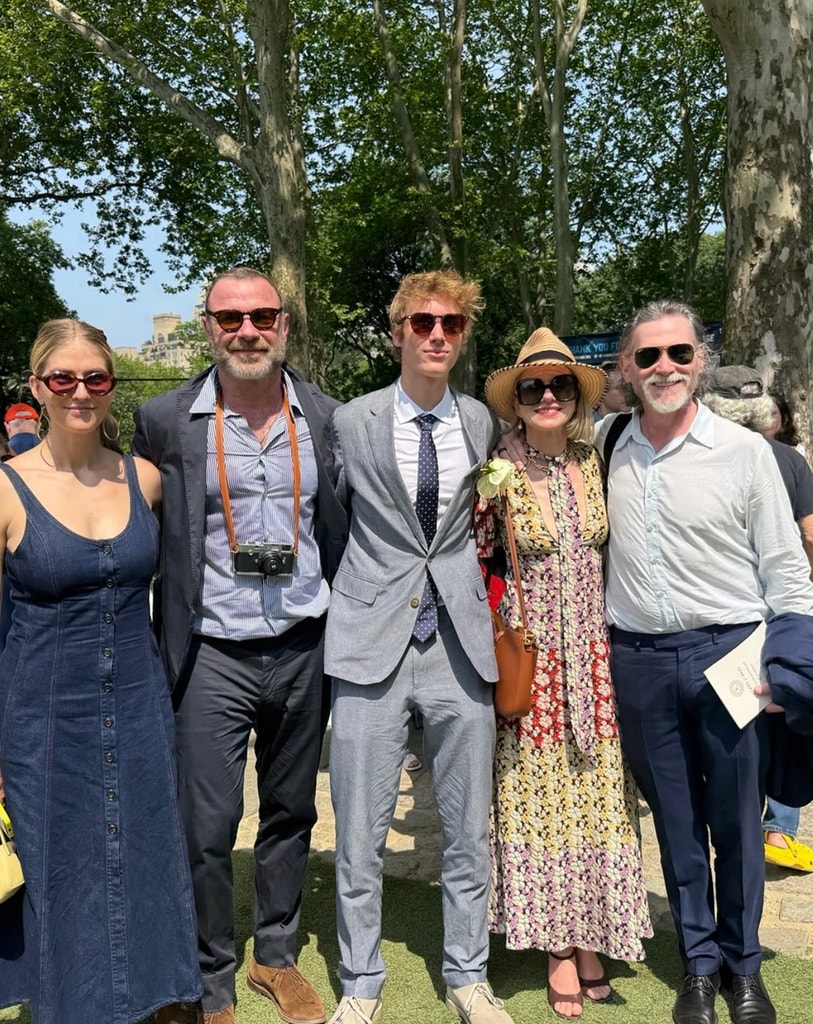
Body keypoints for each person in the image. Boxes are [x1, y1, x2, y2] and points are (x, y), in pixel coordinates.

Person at [132, 267, 347, 1024]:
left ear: (284, 323)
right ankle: (211, 975)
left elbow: (338, 529)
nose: (246, 331)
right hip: (210, 652)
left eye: (261, 316)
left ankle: (275, 956)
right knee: (208, 826)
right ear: (208, 327)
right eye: (230, 319)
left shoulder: (326, 416)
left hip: (301, 644)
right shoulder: (163, 420)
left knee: (290, 811)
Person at [595, 299, 813, 1024]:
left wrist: (786, 671)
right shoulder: (603, 444)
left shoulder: (745, 453)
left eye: (679, 354)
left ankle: (742, 968)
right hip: (638, 662)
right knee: (676, 824)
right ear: (625, 367)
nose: (665, 368)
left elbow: (787, 574)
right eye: (648, 356)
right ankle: (697, 965)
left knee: (737, 827)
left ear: (701, 361)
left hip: (730, 658)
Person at [0, 319, 201, 1024]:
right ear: (38, 388)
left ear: (111, 386)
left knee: (144, 849)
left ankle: (152, 997)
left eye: (95, 378)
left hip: (140, 703)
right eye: (63, 378)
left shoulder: (143, 478)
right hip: (42, 714)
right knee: (63, 872)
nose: (80, 391)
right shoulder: (4, 491)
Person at [325, 270, 512, 1024]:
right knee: (360, 829)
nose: (437, 335)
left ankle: (468, 976)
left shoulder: (480, 422)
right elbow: (334, 520)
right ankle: (359, 983)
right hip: (370, 637)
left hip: (459, 645)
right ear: (398, 329)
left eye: (452, 325)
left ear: (462, 336)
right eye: (423, 322)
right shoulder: (351, 421)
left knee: (469, 827)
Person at [478, 330, 651, 1020]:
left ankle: (591, 937)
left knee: (599, 801)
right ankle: (555, 946)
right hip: (535, 663)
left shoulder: (595, 459)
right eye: (531, 388)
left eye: (559, 386)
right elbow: (474, 559)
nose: (546, 396)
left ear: (577, 396)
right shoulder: (496, 468)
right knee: (539, 804)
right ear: (515, 402)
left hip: (596, 659)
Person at [704, 365, 813, 874]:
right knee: (788, 717)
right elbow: (811, 534)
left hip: (729, 624)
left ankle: (740, 825)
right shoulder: (789, 458)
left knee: (739, 741)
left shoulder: (704, 460)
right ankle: (781, 829)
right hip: (781, 619)